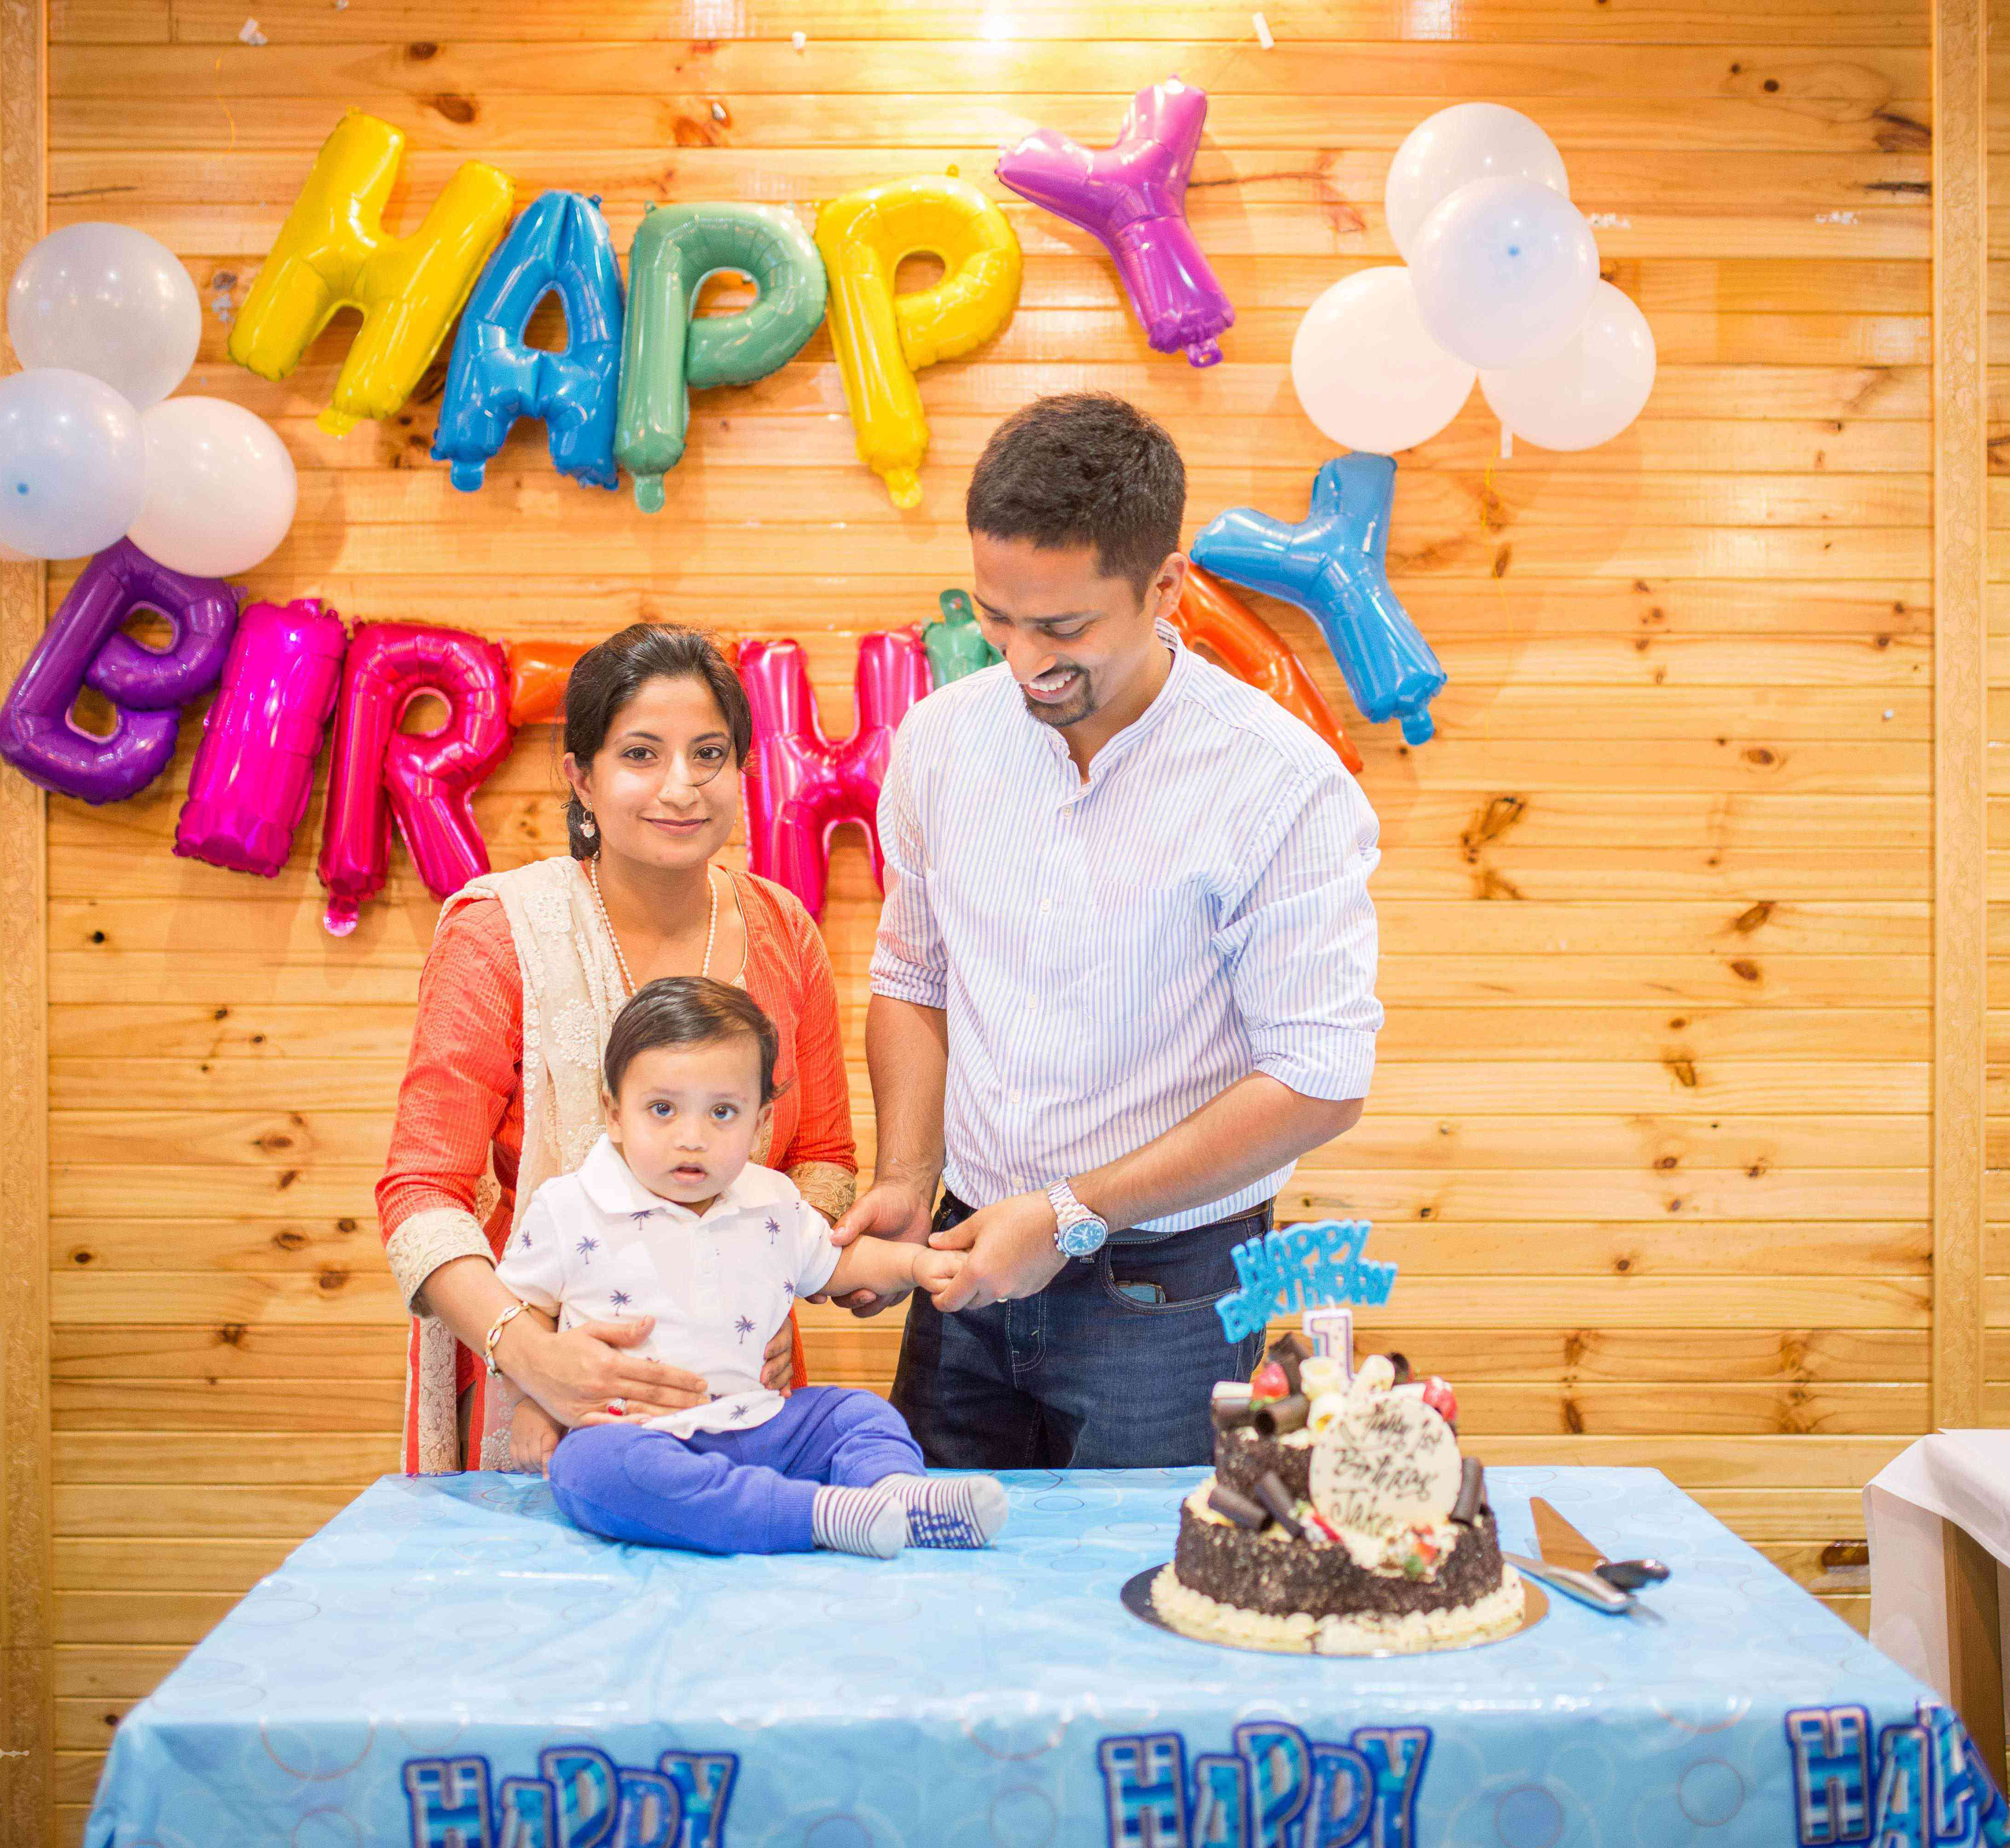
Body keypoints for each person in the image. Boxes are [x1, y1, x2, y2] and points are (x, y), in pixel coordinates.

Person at [830, 392, 1384, 1469]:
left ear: (1164, 588)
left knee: (1142, 1565)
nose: (1022, 659)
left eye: (1064, 628)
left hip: (1168, 1284)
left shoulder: (1280, 782)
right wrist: (904, 1177)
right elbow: (915, 975)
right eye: (998, 616)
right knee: (933, 1546)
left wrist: (1071, 1213)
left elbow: (1320, 1077)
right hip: (966, 1247)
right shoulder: (942, 739)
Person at [375, 624, 857, 1473]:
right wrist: (532, 1353)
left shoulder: (783, 930)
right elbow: (421, 1194)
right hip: (539, 1399)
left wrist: (765, 1290)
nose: (681, 787)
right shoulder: (500, 935)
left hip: (738, 1390)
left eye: (709, 755)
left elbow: (821, 1159)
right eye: (641, 754)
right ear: (581, 778)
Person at [509, 978, 1007, 1559]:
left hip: (766, 1424)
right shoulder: (569, 1206)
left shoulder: (771, 1198)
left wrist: (917, 1261)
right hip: (638, 1433)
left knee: (858, 1413)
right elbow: (524, 1312)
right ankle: (821, 1514)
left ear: (760, 1121)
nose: (691, 1138)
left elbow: (840, 1261)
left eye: (722, 1112)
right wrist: (536, 1401)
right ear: (615, 1114)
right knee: (590, 1468)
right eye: (662, 1109)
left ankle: (898, 1495)